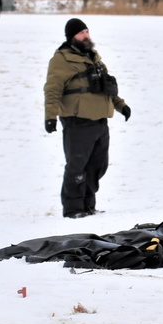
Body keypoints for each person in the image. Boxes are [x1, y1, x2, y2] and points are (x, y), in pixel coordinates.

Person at [44, 18, 130, 218]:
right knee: (77, 166)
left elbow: (107, 86)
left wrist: (121, 106)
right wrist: (50, 117)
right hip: (78, 120)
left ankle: (88, 205)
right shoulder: (62, 59)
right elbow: (52, 90)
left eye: (87, 31)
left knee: (98, 165)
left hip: (100, 121)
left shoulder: (94, 57)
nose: (86, 36)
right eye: (81, 33)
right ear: (71, 37)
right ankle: (73, 209)